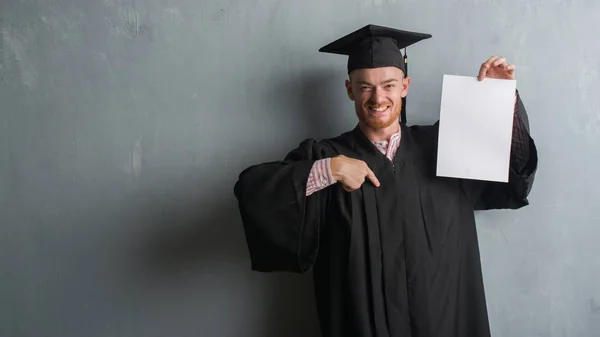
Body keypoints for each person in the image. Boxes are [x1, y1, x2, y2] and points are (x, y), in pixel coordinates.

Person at [233, 24, 538, 337]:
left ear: (405, 86)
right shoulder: (326, 155)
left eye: (389, 85)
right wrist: (330, 170)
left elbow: (511, 170)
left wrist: (502, 100)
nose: (378, 97)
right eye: (365, 87)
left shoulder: (444, 145)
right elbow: (252, 191)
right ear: (350, 89)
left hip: (445, 322)